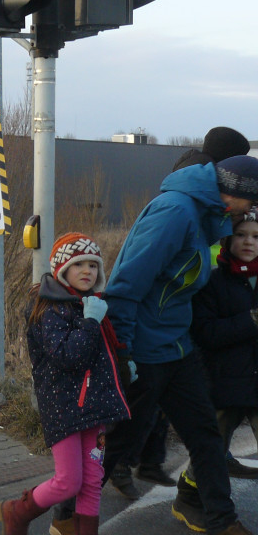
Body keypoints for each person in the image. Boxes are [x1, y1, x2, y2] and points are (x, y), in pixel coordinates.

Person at [102, 155, 258, 535]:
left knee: (205, 435)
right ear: (234, 194)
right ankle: (66, 513)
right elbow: (127, 282)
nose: (251, 212)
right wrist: (122, 350)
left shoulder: (207, 215)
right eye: (251, 203)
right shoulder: (175, 212)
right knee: (121, 442)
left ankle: (221, 520)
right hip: (144, 348)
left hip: (177, 346)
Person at [0, 233, 129, 535]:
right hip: (64, 409)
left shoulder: (92, 303)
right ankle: (17, 512)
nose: (87, 271)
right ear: (61, 269)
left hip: (93, 408)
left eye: (93, 265)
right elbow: (68, 356)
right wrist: (91, 322)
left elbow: (104, 353)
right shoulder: (50, 309)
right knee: (69, 480)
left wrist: (124, 363)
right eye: (78, 264)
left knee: (92, 479)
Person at [191, 207, 258, 479]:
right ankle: (190, 498)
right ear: (227, 241)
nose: (249, 242)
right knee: (209, 456)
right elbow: (206, 333)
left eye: (256, 236)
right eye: (240, 234)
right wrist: (251, 321)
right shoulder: (212, 282)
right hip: (224, 384)